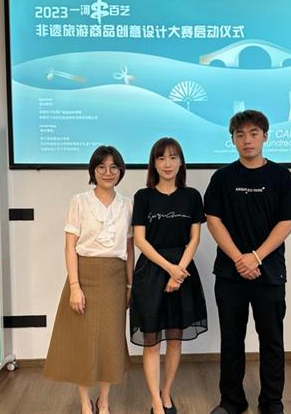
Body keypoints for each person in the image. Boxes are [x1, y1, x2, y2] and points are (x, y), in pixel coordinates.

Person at [204, 110, 291, 414]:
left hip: (269, 273)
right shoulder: (222, 178)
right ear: (233, 140)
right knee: (231, 340)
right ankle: (231, 401)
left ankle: (271, 402)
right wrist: (239, 259)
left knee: (272, 341)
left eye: (253, 133)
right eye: (240, 135)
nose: (247, 140)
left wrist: (256, 257)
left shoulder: (281, 176)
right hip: (230, 274)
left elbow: (287, 222)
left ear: (265, 137)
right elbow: (213, 220)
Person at [44, 145, 134, 414]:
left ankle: (103, 400)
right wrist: (75, 286)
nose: (108, 172)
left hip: (115, 278)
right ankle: (85, 401)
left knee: (110, 342)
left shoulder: (127, 205)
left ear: (121, 171)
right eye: (101, 167)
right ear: (93, 171)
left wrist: (130, 285)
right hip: (84, 276)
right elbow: (69, 246)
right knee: (83, 342)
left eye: (114, 167)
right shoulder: (80, 201)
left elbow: (129, 249)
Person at [130, 137, 208, 414]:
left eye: (173, 157)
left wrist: (179, 271)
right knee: (151, 342)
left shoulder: (192, 196)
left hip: (183, 273)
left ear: (181, 162)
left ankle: (166, 394)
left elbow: (195, 238)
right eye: (161, 158)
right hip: (151, 273)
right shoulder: (143, 196)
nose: (167, 163)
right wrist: (169, 268)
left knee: (175, 340)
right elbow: (140, 240)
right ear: (153, 163)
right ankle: (155, 400)